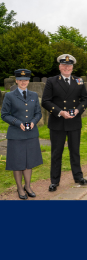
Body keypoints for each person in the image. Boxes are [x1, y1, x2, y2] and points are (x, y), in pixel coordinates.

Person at [42, 54, 87, 192]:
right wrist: (60, 112)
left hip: (74, 121)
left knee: (75, 151)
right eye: (64, 65)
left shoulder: (79, 81)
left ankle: (78, 176)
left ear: (72, 67)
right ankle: (54, 181)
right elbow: (45, 101)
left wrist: (78, 110)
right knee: (56, 153)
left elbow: (85, 100)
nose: (66, 67)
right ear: (60, 67)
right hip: (57, 122)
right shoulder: (52, 81)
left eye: (69, 66)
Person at [1, 69, 43, 199]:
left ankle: (28, 186)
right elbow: (4, 115)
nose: (23, 82)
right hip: (16, 134)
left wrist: (33, 122)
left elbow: (38, 113)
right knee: (17, 162)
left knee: (29, 161)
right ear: (16, 80)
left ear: (28, 81)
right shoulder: (9, 96)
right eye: (20, 80)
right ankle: (20, 188)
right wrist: (17, 122)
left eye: (25, 80)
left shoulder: (34, 95)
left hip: (31, 133)